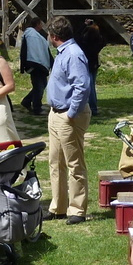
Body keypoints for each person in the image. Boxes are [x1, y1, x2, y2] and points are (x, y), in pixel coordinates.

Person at [46, 16, 91, 225]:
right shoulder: (63, 52)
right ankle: (58, 207)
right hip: (56, 113)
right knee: (55, 162)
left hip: (68, 115)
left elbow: (82, 86)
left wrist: (71, 113)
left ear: (54, 36)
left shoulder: (73, 54)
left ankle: (77, 209)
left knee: (74, 163)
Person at [18, 17, 51, 115]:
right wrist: (24, 65)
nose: (42, 26)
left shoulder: (36, 36)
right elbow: (26, 50)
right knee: (39, 86)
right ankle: (37, 108)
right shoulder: (31, 35)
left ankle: (27, 101)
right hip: (35, 64)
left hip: (38, 63)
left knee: (41, 85)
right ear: (37, 24)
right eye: (41, 23)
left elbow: (42, 50)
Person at [78, 18, 105, 116]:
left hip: (87, 64)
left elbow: (77, 37)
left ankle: (92, 109)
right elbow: (103, 39)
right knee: (92, 86)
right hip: (94, 64)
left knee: (89, 87)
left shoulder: (85, 42)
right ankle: (93, 108)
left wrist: (84, 25)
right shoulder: (98, 41)